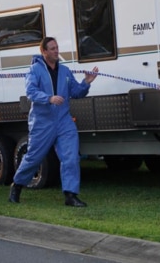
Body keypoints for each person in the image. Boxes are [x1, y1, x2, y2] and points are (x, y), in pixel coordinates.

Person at [9, 37, 98, 207]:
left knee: (71, 157)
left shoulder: (64, 71)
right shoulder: (34, 70)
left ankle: (70, 195)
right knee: (33, 158)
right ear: (43, 52)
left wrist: (86, 82)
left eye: (57, 47)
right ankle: (17, 186)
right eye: (52, 48)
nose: (56, 51)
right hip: (42, 122)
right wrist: (48, 98)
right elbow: (31, 92)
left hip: (64, 121)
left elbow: (76, 92)